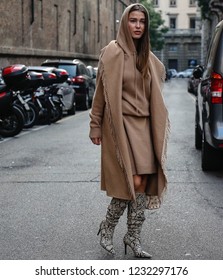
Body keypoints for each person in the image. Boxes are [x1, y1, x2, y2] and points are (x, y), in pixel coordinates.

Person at [89, 3, 170, 259]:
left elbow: (155, 90)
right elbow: (101, 94)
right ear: (125, 22)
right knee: (131, 182)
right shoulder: (111, 53)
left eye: (141, 22)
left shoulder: (148, 56)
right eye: (133, 20)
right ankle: (107, 228)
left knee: (144, 183)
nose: (137, 25)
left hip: (144, 127)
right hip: (120, 127)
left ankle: (132, 236)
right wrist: (94, 124)